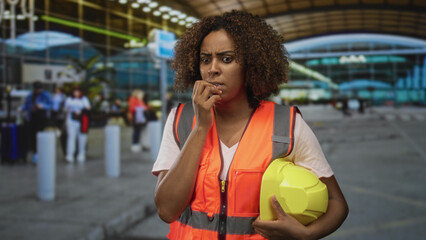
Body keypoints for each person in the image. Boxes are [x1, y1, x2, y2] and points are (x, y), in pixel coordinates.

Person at [152, 10, 348, 240]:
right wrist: (201, 129)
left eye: (226, 59)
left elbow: (337, 203)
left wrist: (306, 234)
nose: (212, 68)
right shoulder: (180, 120)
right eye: (206, 59)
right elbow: (166, 210)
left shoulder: (287, 125)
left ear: (250, 66)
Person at [21, 81, 52, 163]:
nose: (37, 90)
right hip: (32, 118)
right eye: (36, 89)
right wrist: (22, 108)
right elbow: (27, 105)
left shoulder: (45, 95)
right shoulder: (31, 96)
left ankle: (41, 153)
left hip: (41, 118)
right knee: (32, 136)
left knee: (40, 135)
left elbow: (51, 105)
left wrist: (42, 106)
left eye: (39, 89)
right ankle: (35, 153)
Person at [64, 87, 91, 163]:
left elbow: (88, 108)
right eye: (75, 91)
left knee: (82, 138)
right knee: (71, 137)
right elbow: (66, 108)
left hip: (81, 121)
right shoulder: (69, 99)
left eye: (78, 91)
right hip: (72, 120)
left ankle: (81, 153)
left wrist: (80, 111)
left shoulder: (84, 99)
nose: (76, 93)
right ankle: (70, 154)